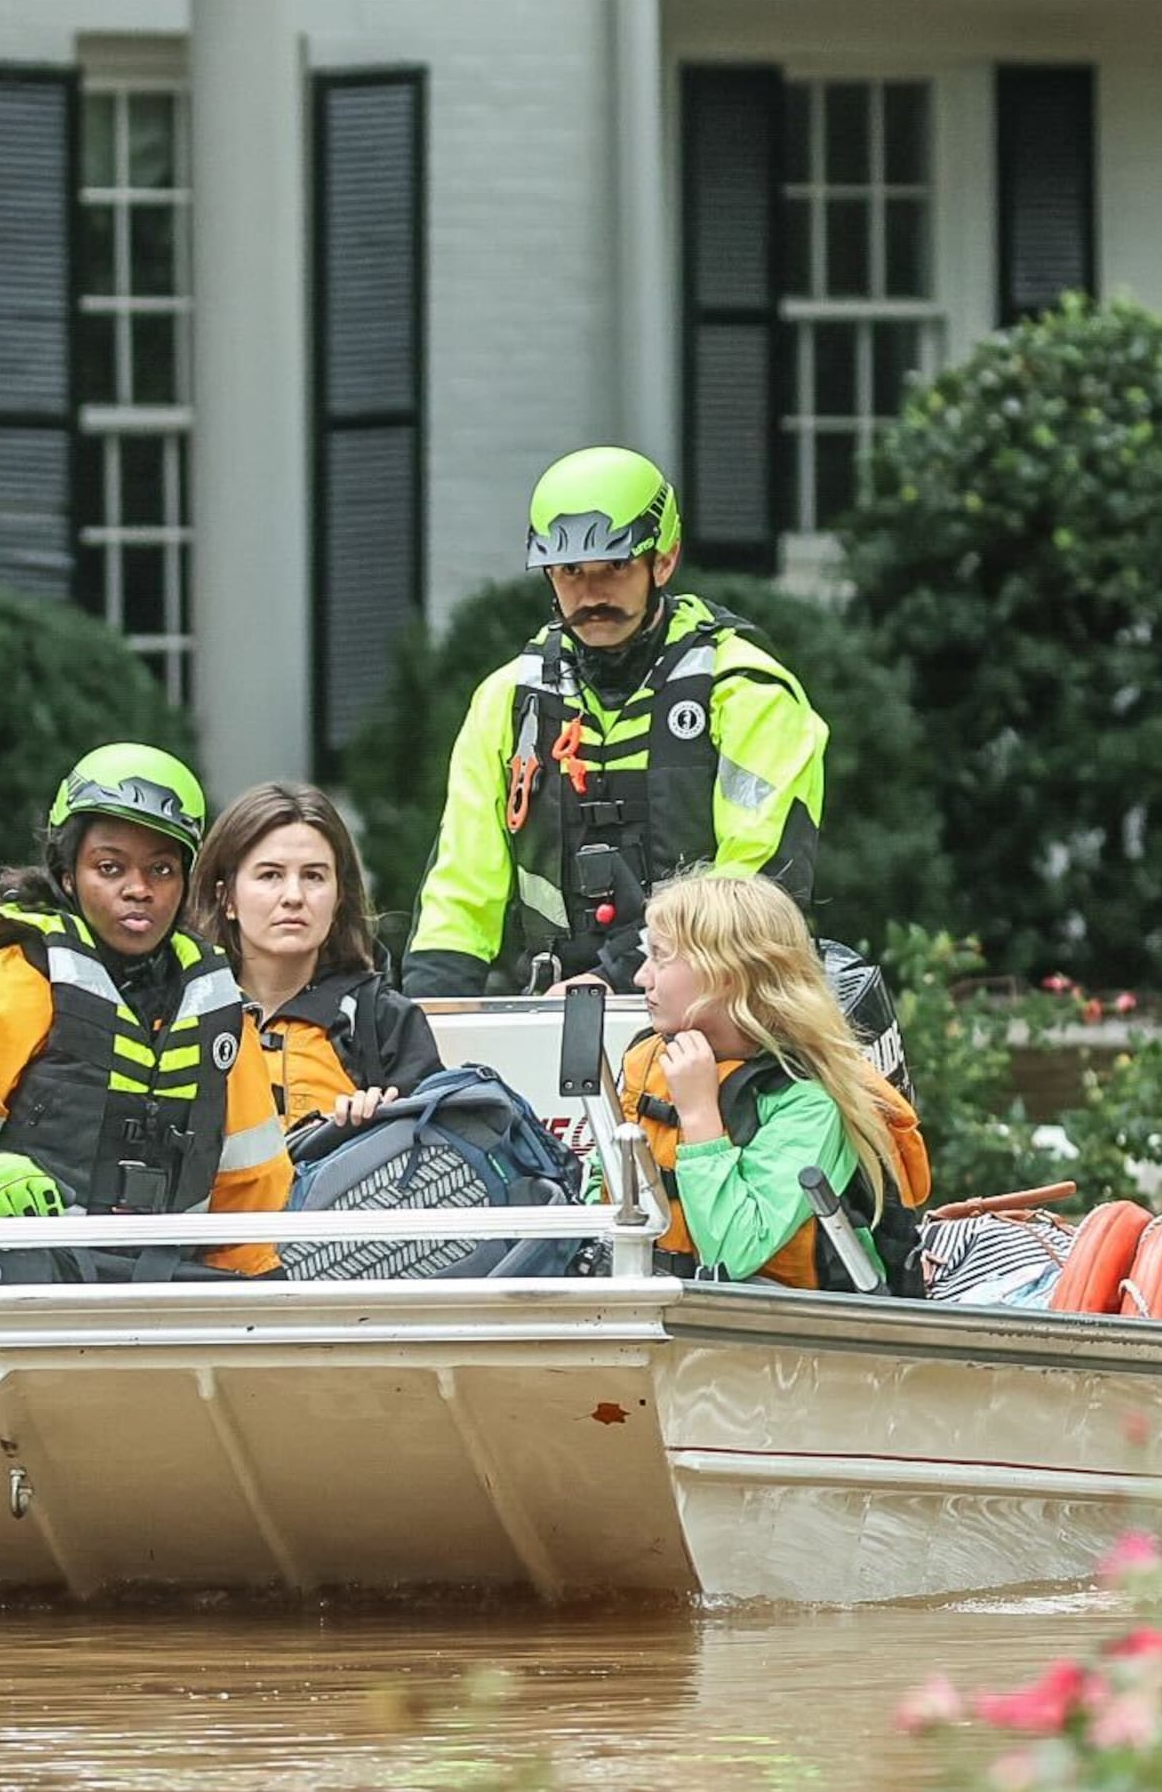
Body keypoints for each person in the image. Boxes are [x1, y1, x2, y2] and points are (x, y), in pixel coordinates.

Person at [0, 744, 292, 1275]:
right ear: (66, 874)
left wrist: (262, 1314)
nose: (138, 890)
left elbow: (249, 1200)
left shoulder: (217, 1011)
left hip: (163, 1290)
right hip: (10, 1286)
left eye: (162, 870)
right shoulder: (5, 982)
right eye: (109, 867)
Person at [402, 445, 833, 997]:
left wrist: (617, 972)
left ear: (665, 560)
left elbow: (756, 884)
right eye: (570, 571)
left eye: (616, 567)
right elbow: (461, 888)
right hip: (556, 1009)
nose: (592, 593)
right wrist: (427, 1016)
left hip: (724, 1007)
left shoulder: (746, 689)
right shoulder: (508, 700)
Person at [612, 870, 927, 1292]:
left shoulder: (808, 1101)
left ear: (724, 973)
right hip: (656, 1315)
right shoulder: (647, 1059)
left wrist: (700, 1117)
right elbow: (603, 1195)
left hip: (786, 1342)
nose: (641, 977)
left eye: (660, 957)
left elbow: (731, 1255)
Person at [191, 782, 441, 1134]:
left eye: (313, 876)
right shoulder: (184, 1014)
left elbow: (440, 1154)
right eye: (270, 875)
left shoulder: (383, 1019)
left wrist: (384, 1131)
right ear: (226, 897)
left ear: (339, 896)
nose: (293, 896)